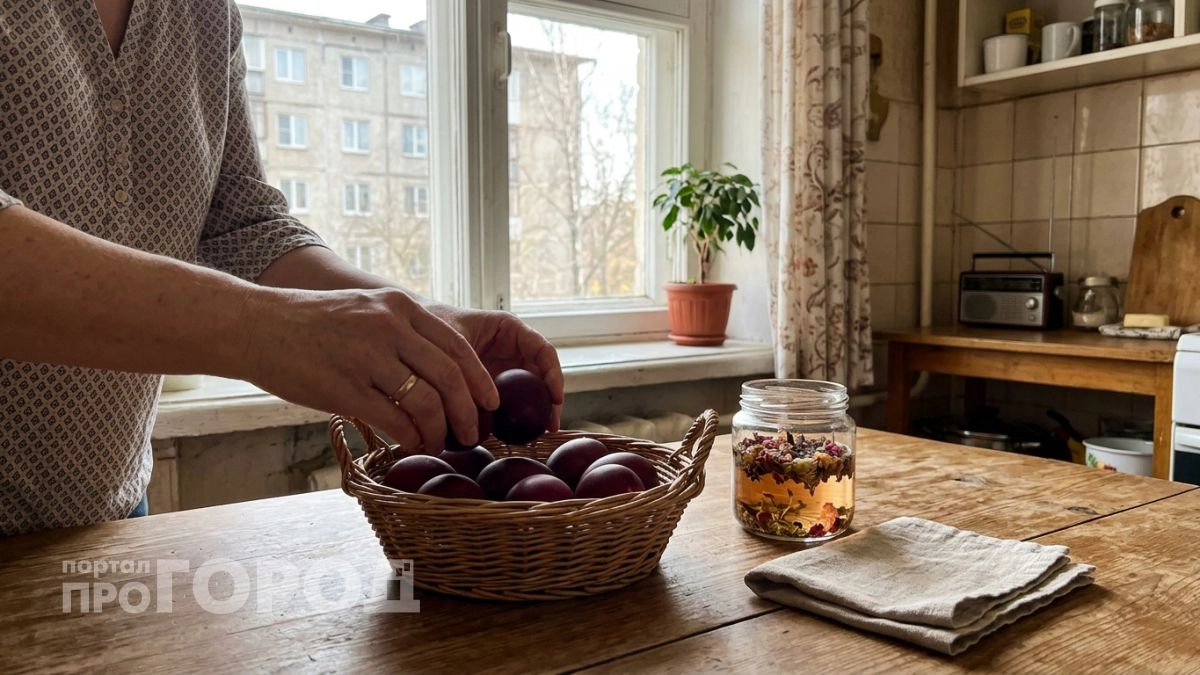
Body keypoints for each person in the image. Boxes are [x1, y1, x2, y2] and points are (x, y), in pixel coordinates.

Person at [0, 0, 564, 537]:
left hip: (110, 511)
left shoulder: (205, 14)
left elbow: (243, 224)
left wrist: (420, 326)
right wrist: (262, 331)